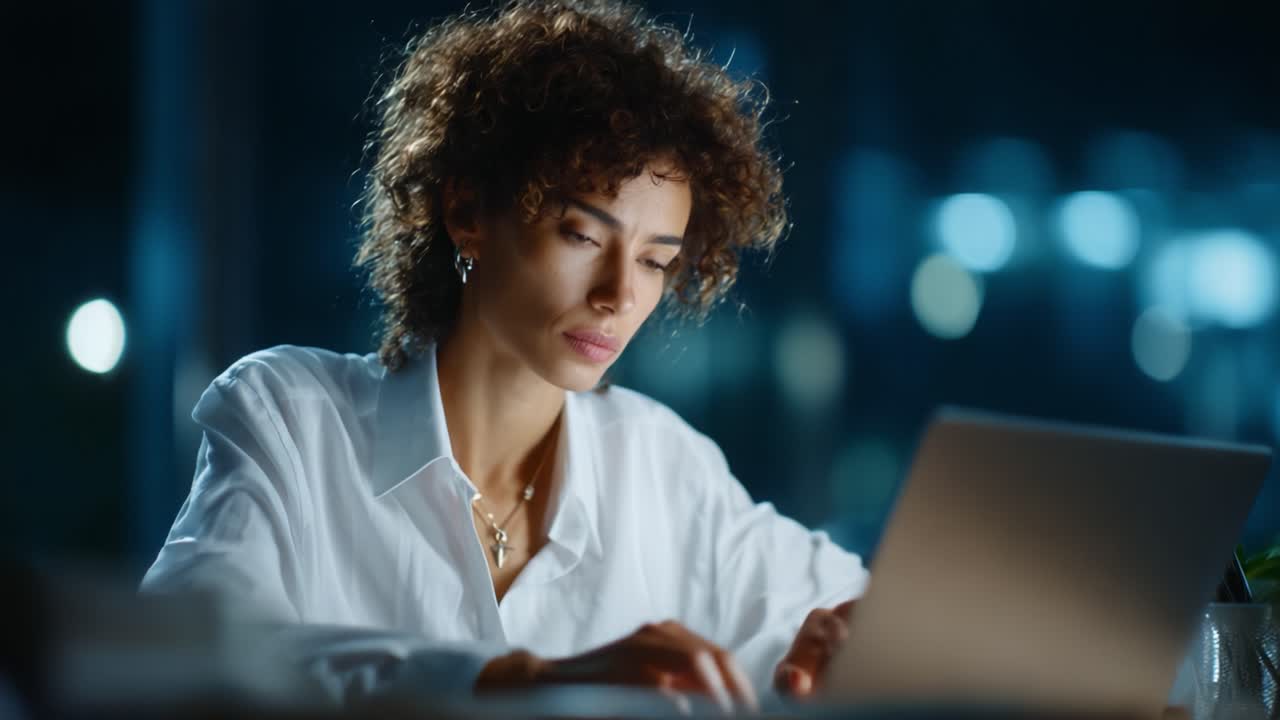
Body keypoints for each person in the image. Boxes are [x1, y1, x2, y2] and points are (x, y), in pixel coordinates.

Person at [140, 0, 867, 712]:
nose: (618, 295)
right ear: (467, 213)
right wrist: (512, 683)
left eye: (654, 261)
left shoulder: (664, 466)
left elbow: (864, 605)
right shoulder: (291, 419)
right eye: (582, 236)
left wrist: (844, 637)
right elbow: (181, 663)